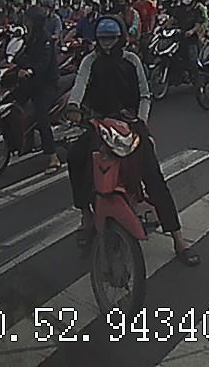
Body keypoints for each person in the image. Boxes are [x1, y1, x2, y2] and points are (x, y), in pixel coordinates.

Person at [65, 15, 200, 265]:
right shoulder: (90, 61)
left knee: (153, 177)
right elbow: (79, 86)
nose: (107, 43)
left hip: (131, 125)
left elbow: (145, 95)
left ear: (120, 38)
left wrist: (141, 122)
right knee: (75, 158)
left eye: (112, 38)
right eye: (103, 38)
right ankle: (86, 214)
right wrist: (74, 106)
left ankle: (178, 238)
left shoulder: (131, 60)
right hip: (100, 124)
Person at [16, 5, 62, 173]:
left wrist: (31, 70)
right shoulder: (30, 37)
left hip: (47, 84)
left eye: (29, 20)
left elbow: (43, 64)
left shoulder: (45, 39)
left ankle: (53, 156)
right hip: (32, 81)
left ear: (36, 22)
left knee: (42, 115)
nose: (26, 22)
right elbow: (23, 54)